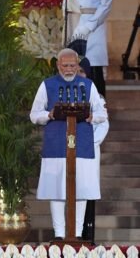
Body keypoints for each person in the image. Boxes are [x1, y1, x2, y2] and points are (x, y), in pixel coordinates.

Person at [30, 48, 108, 241]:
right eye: (65, 65)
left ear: (77, 65)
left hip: (81, 143)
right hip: (56, 143)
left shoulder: (88, 85)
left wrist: (91, 116)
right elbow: (34, 114)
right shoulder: (47, 85)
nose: (69, 69)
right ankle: (59, 234)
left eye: (73, 65)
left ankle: (78, 233)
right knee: (56, 188)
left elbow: (102, 114)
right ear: (58, 65)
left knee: (81, 188)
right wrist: (48, 115)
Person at [78, 57, 110, 242]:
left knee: (87, 195)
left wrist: (88, 143)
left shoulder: (96, 97)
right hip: (68, 153)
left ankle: (88, 237)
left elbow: (103, 125)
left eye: (82, 72)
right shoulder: (63, 93)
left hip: (88, 152)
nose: (79, 75)